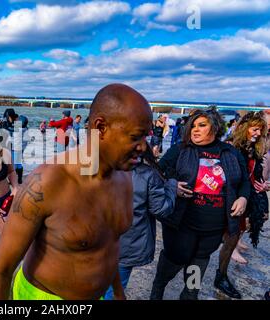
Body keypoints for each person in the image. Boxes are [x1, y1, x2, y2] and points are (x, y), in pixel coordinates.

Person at [0, 83, 153, 300]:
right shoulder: (47, 182)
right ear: (101, 127)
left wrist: (119, 293)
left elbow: (109, 244)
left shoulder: (125, 176)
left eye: (146, 137)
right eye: (135, 137)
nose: (144, 147)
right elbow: (0, 270)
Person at [150, 107, 250, 300]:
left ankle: (189, 295)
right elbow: (157, 172)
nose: (195, 130)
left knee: (196, 268)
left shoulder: (230, 153)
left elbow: (244, 181)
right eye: (193, 126)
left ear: (215, 127)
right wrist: (172, 185)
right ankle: (158, 289)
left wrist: (243, 198)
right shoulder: (180, 150)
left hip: (211, 230)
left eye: (201, 125)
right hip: (182, 226)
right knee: (174, 259)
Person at [104, 143, 177, 299]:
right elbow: (161, 209)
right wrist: (171, 186)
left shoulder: (100, 170)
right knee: (116, 286)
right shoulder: (148, 175)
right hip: (129, 242)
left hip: (101, 240)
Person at [215, 111, 268, 299]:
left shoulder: (253, 150)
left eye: (260, 130)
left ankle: (220, 277)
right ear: (245, 128)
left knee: (232, 239)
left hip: (243, 200)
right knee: (206, 245)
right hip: (226, 201)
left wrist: (263, 184)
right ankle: (195, 283)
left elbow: (252, 175)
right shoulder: (231, 147)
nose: (257, 133)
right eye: (255, 129)